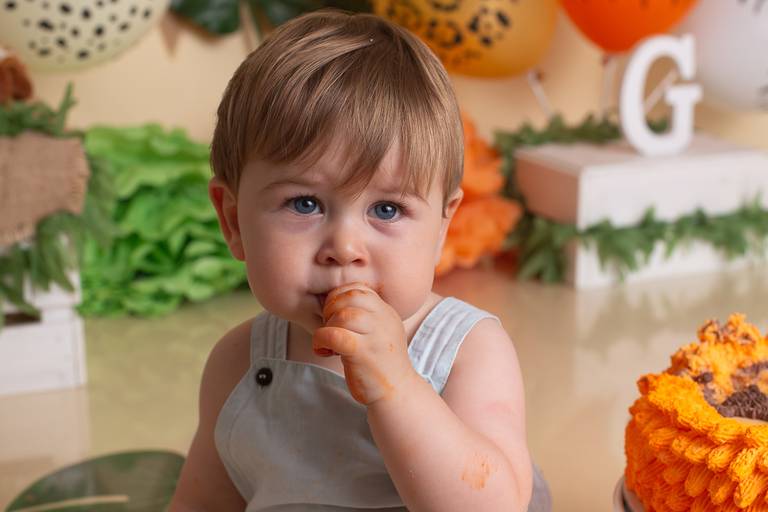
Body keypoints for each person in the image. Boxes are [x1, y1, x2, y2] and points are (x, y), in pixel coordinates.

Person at [170, 9, 550, 512]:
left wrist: (397, 388)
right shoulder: (238, 363)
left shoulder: (467, 351)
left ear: (441, 227)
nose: (345, 247)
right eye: (304, 203)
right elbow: (204, 501)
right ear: (235, 222)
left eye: (387, 209)